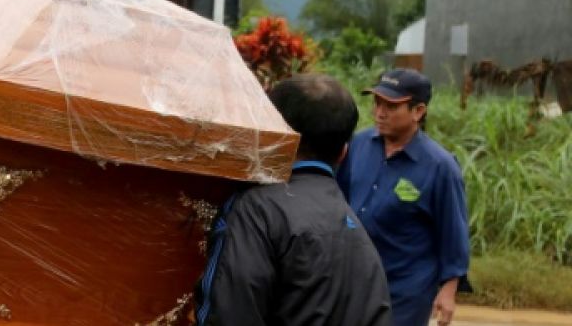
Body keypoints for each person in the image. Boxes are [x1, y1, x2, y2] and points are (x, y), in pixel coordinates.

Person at [195, 73, 391, 326]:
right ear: (344, 152)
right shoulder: (354, 227)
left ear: (272, 136)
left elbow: (228, 314)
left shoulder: (255, 210)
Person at [338, 69, 470, 326]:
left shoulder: (440, 167)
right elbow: (338, 199)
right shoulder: (357, 145)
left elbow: (453, 230)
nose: (379, 112)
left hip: (406, 288)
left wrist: (449, 289)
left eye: (391, 106)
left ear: (418, 111)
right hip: (355, 277)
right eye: (377, 103)